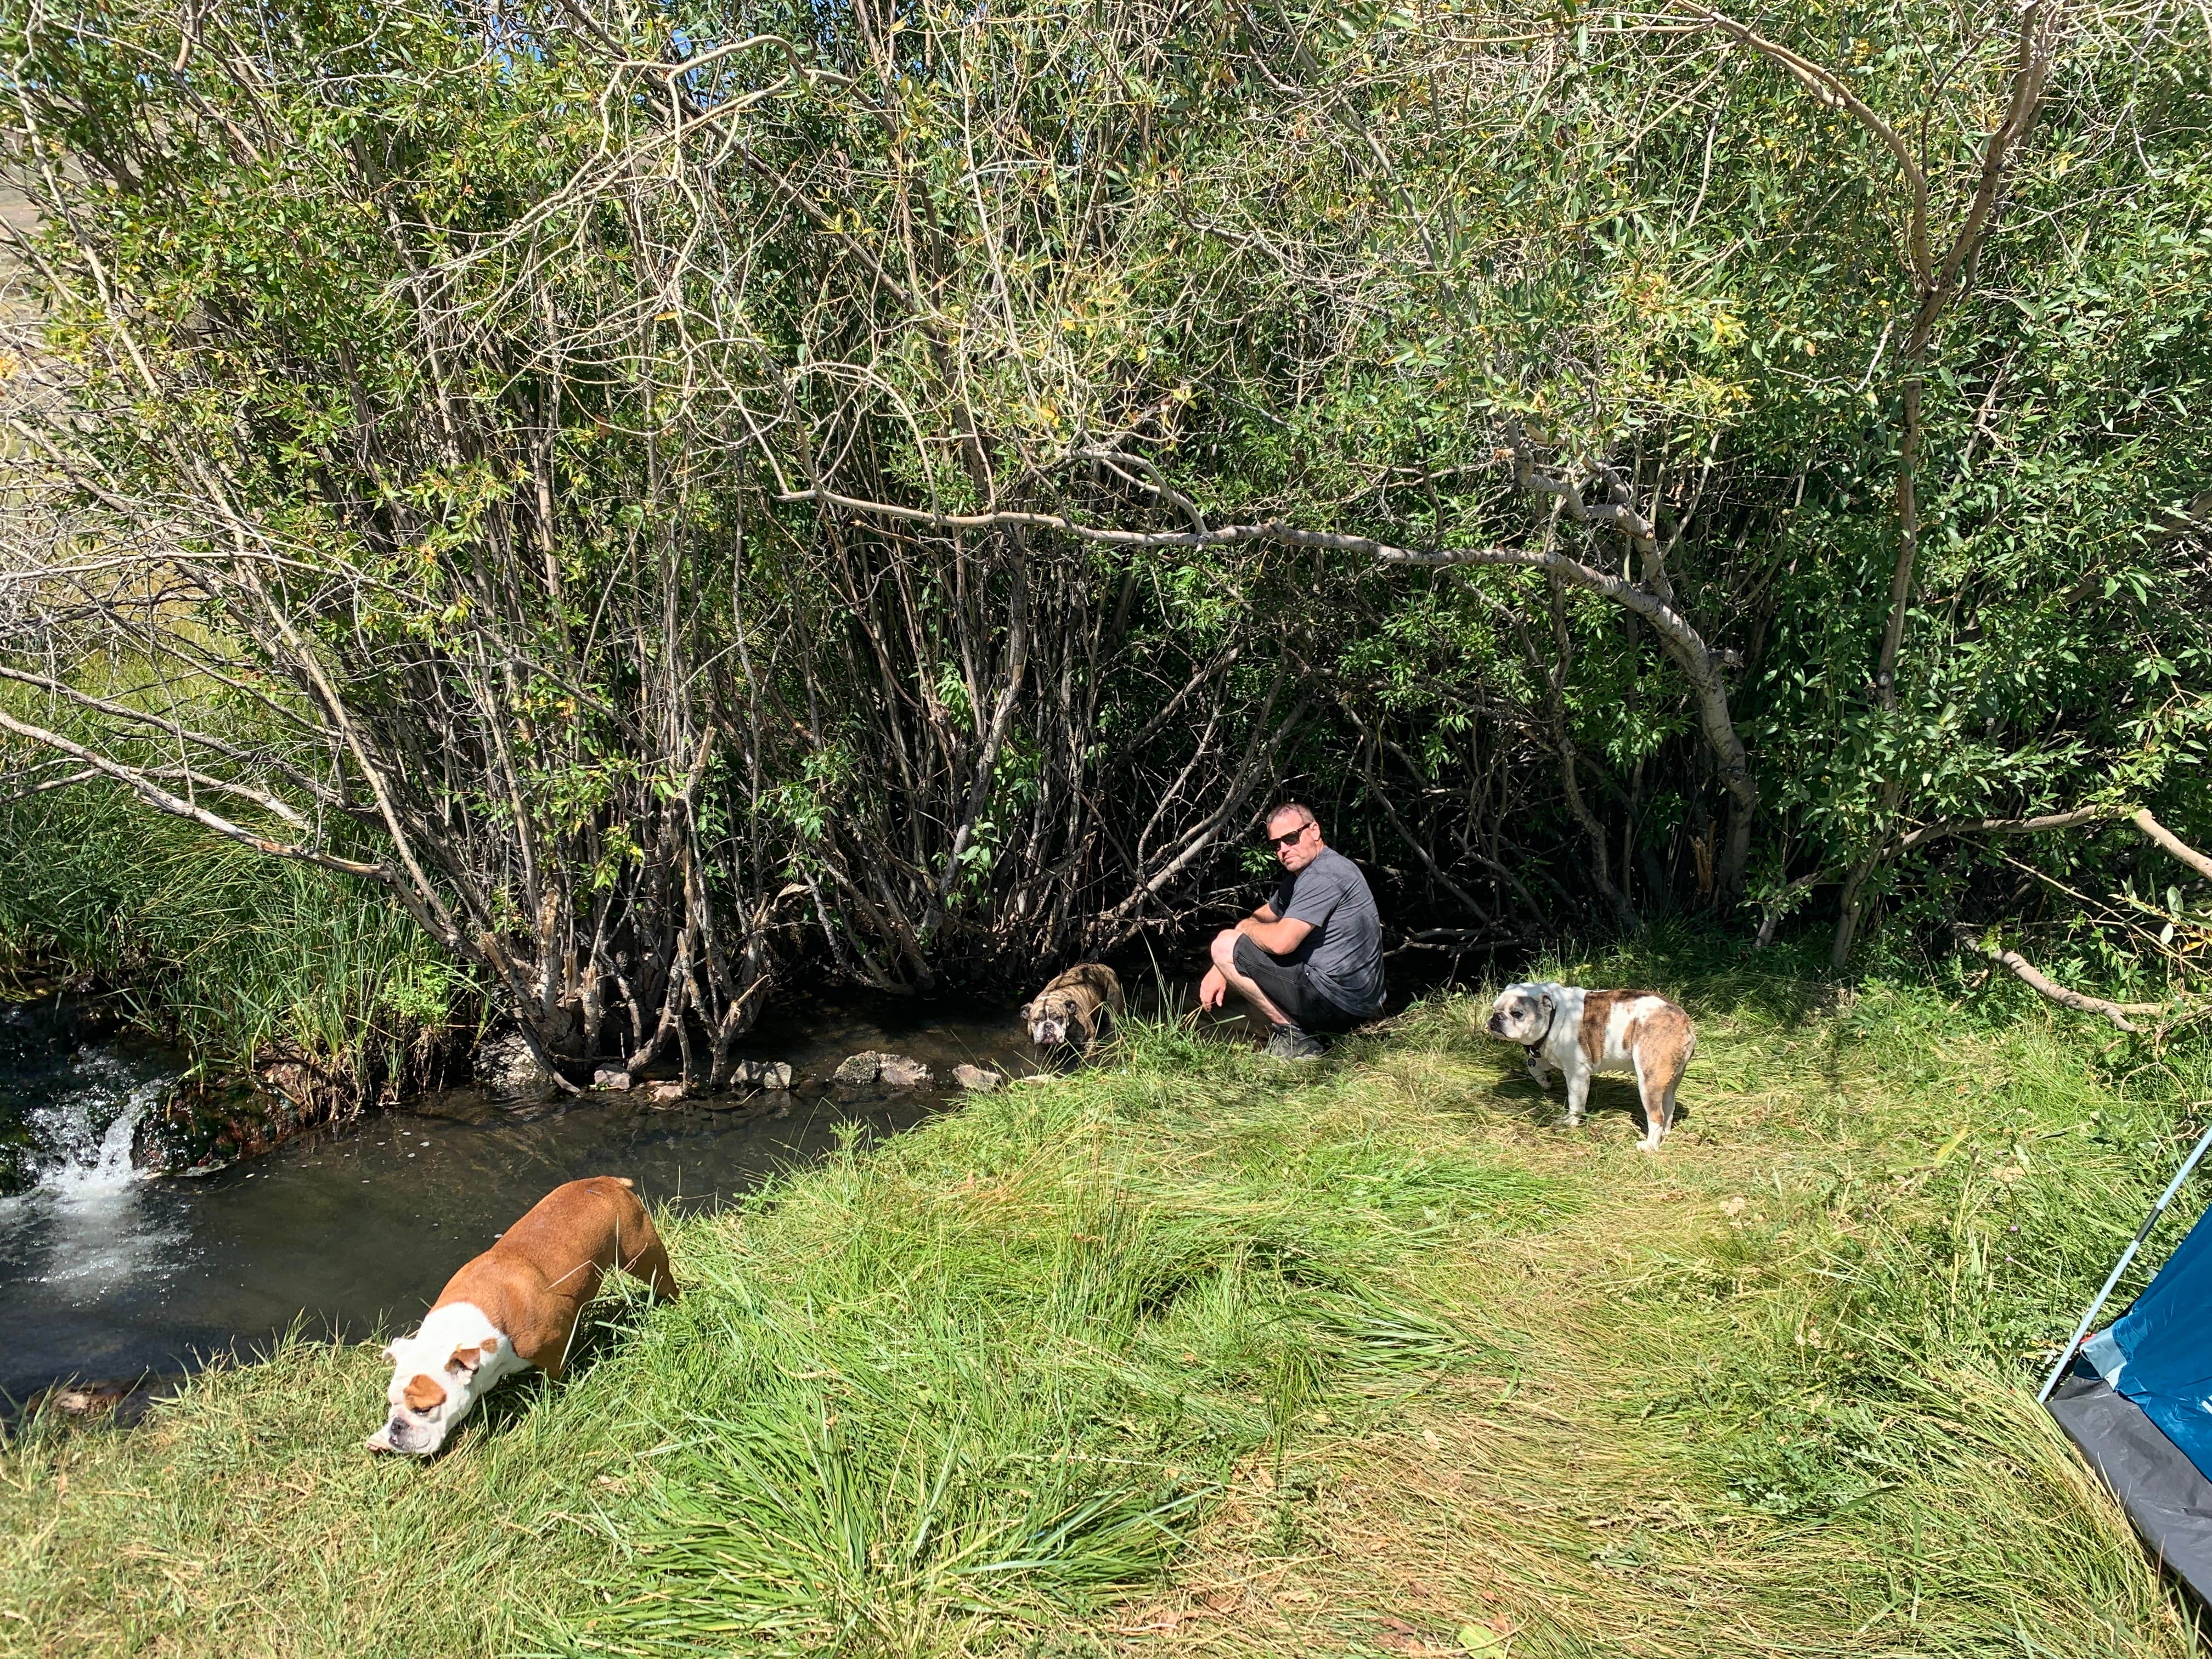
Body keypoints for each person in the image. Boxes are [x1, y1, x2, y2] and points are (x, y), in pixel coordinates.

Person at [1199, 801, 1385, 1059]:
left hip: (1341, 1005)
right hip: (1356, 1003)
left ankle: (1296, 1039)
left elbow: (1281, 943)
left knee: (1223, 944)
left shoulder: (1324, 875)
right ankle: (1308, 1032)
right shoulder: (1306, 874)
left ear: (1315, 831)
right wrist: (1220, 968)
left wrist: (1235, 940)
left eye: (1291, 838)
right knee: (1234, 944)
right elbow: (1264, 915)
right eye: (1277, 844)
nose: (1284, 850)